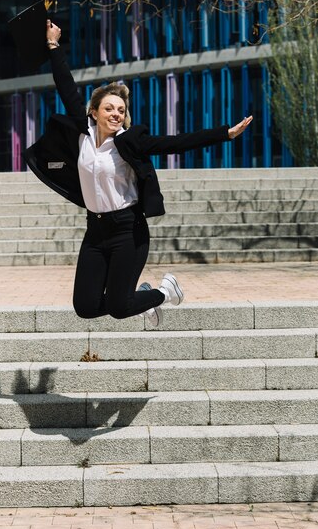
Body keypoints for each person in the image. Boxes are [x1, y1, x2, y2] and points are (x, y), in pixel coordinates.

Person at [24, 20, 253, 327]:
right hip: (95, 231)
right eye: (109, 108)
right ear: (94, 112)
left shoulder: (128, 142)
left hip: (127, 231)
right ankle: (141, 296)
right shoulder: (83, 135)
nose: (116, 114)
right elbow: (66, 85)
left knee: (120, 306)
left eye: (120, 110)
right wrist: (53, 44)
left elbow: (176, 143)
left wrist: (224, 133)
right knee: (86, 306)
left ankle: (163, 292)